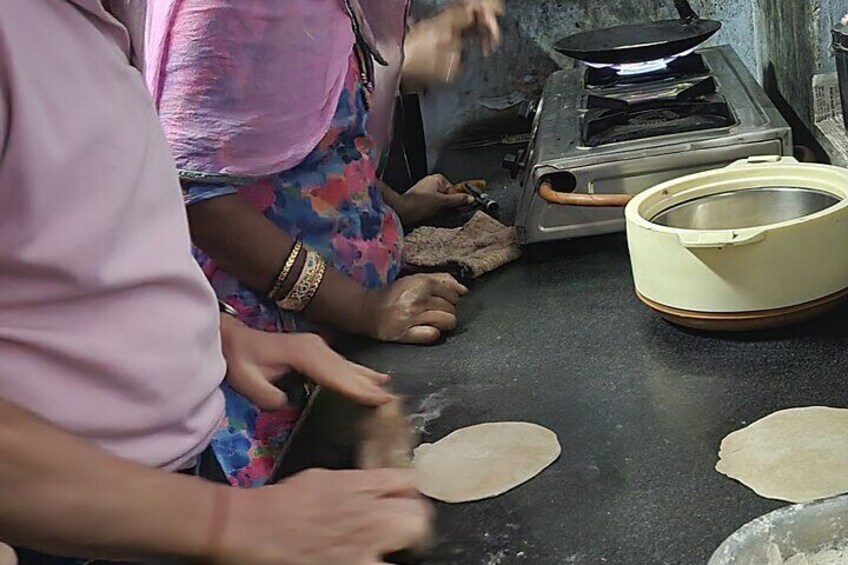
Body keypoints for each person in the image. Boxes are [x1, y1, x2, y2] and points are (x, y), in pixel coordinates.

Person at [0, 2, 431, 563]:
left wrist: (221, 334)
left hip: (173, 487)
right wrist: (236, 522)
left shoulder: (91, 21)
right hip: (73, 526)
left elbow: (83, 247)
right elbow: (199, 193)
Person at [145, 0, 502, 487]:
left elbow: (307, 139)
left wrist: (389, 203)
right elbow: (193, 193)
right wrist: (362, 308)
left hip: (350, 338)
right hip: (276, 363)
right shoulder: (223, 8)